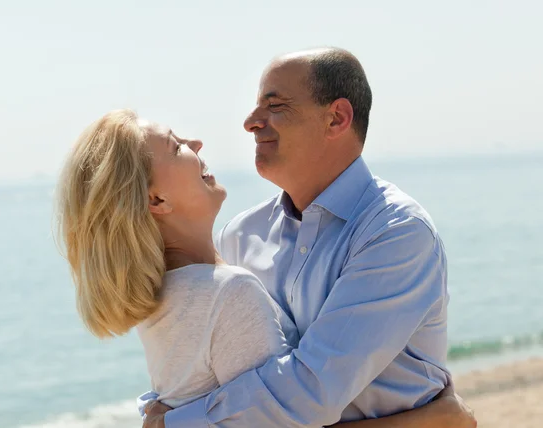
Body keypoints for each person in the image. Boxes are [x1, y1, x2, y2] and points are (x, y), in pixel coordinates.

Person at [56, 109, 474, 428]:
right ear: (157, 201)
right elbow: (296, 414)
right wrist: (434, 420)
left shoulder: (164, 295)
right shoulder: (228, 291)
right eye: (176, 146)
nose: (197, 143)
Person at [142, 47, 471, 428]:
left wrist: (179, 423)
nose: (250, 122)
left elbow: (311, 394)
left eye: (275, 105)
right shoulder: (240, 234)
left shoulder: (396, 233)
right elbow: (198, 371)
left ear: (336, 118)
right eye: (256, 106)